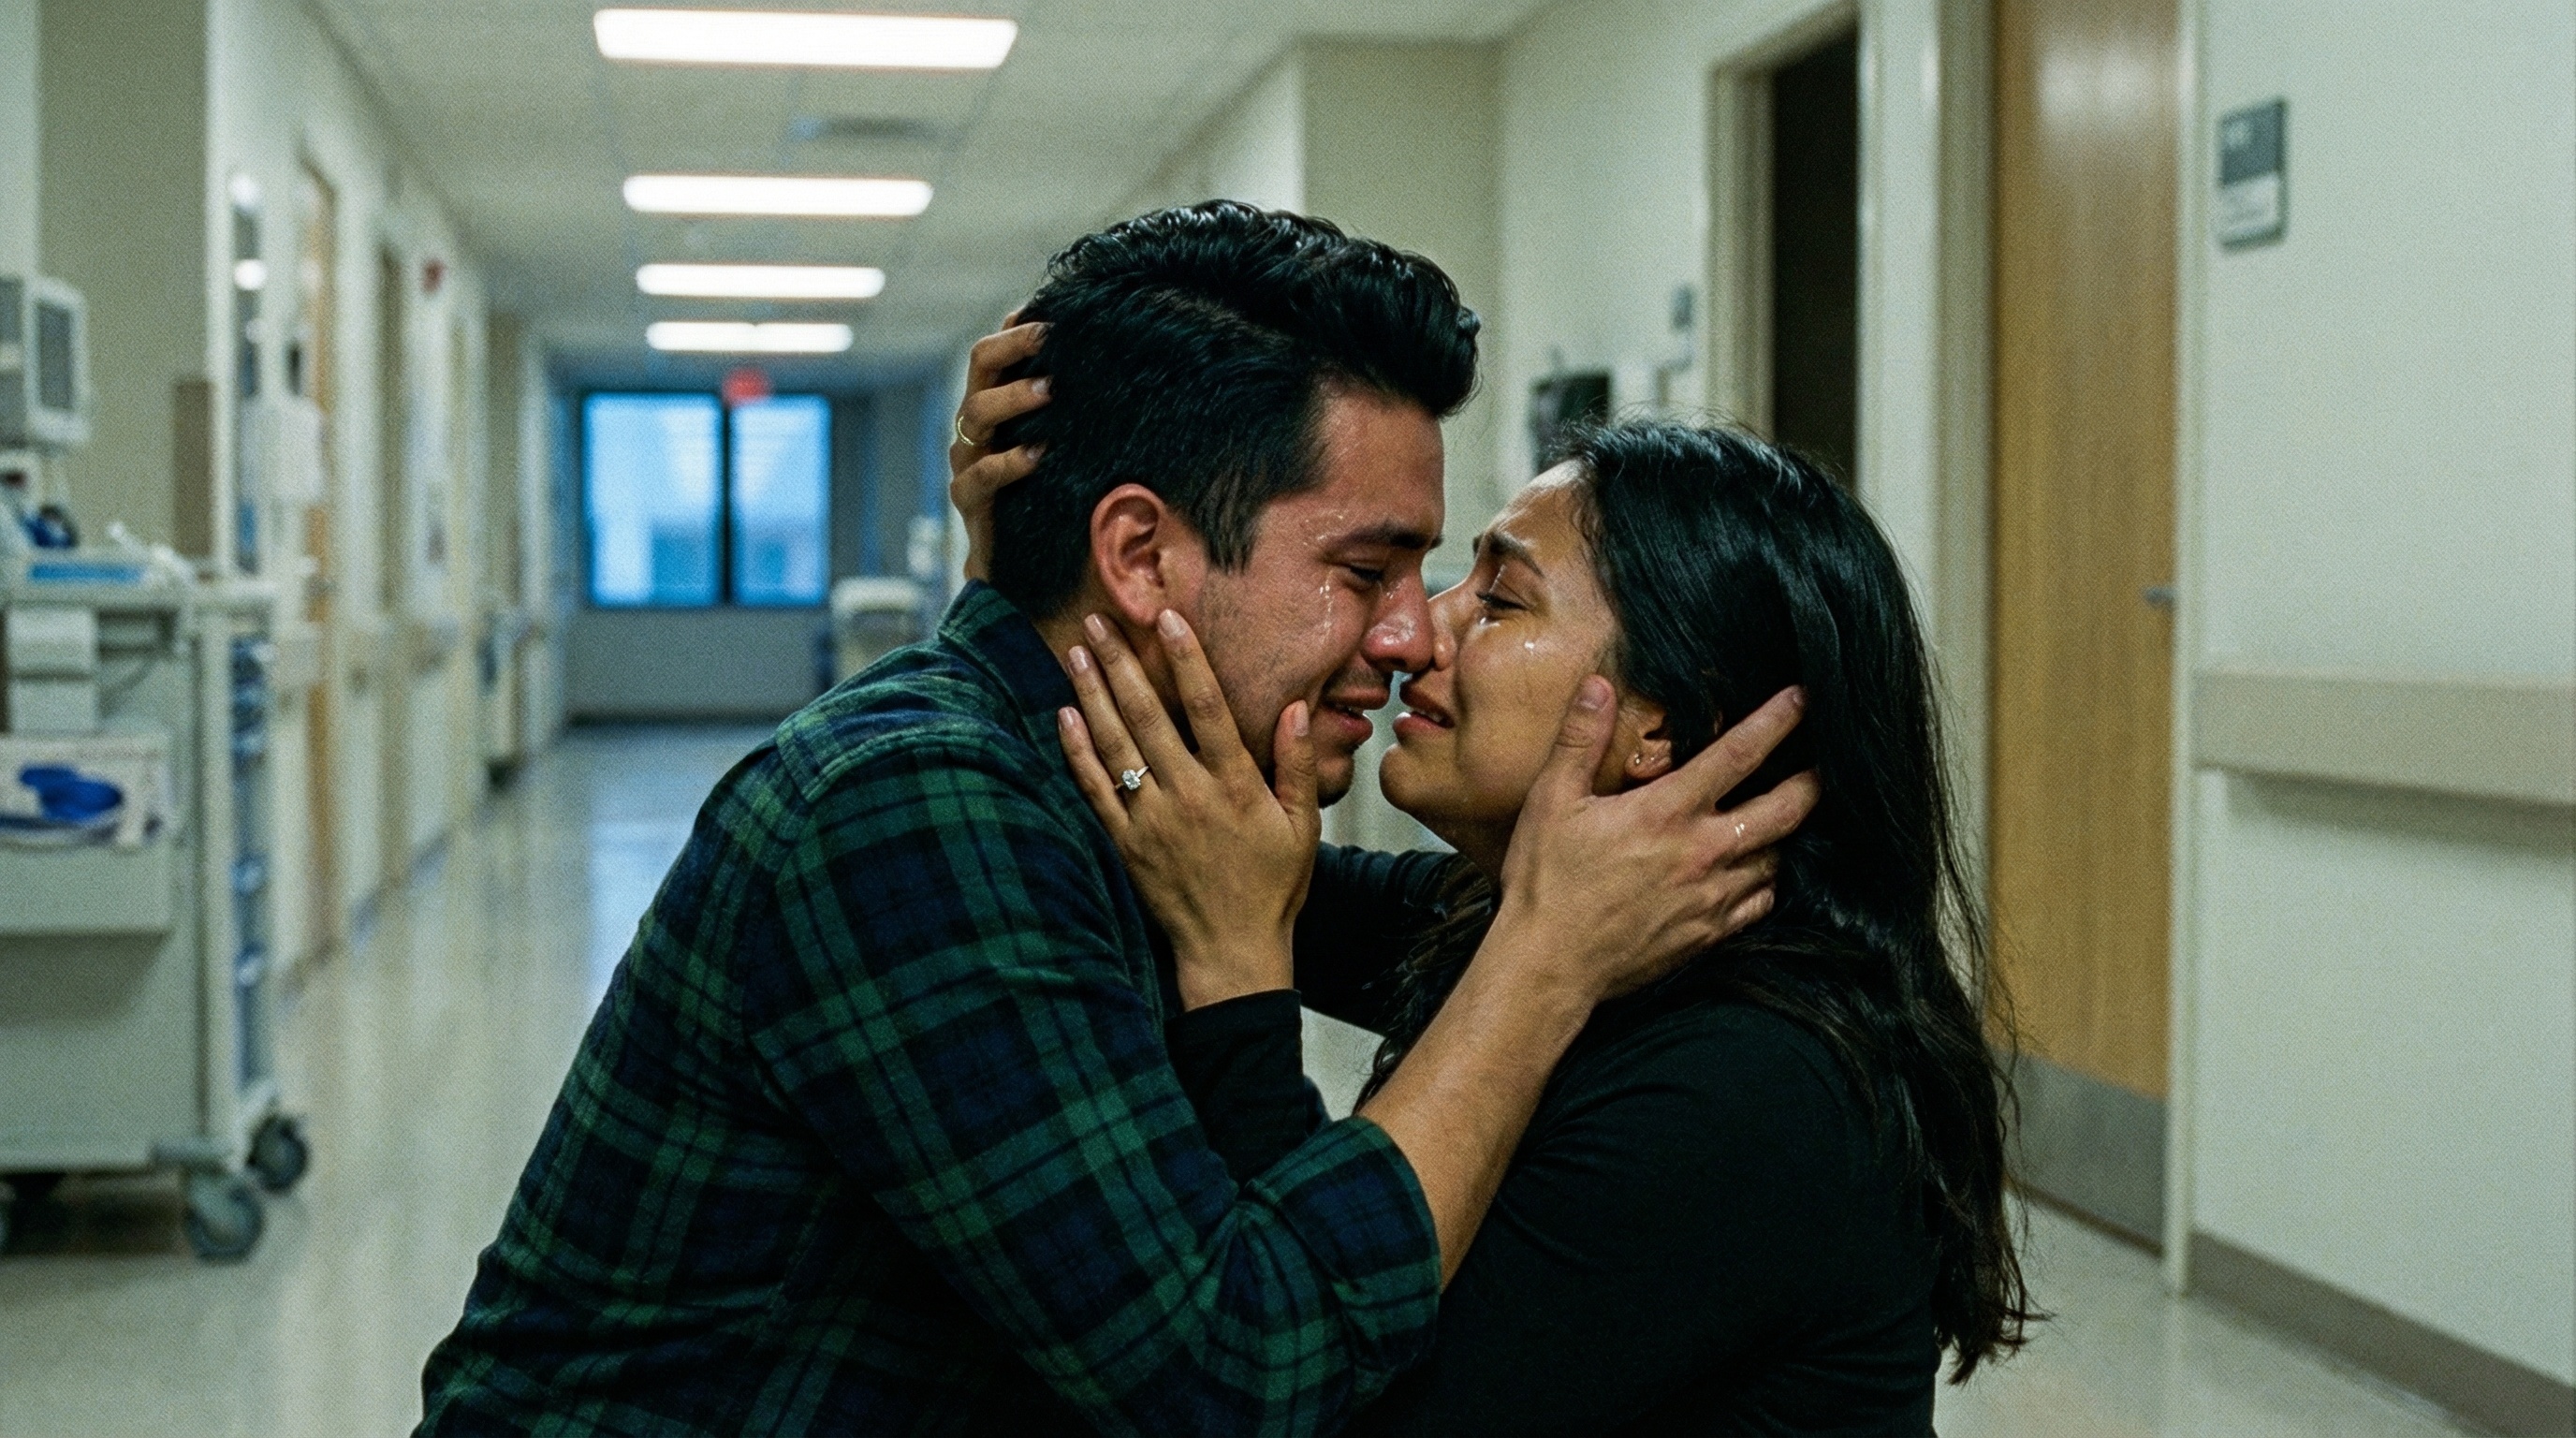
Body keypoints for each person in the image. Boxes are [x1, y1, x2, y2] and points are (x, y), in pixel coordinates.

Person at [417, 203, 1814, 1437]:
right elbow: (1242, 1379)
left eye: (1451, 582)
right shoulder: (914, 810)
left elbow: (1415, 922)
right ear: (1140, 555)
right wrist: (1547, 962)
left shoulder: (1106, 783)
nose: (1409, 638)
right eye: (1366, 569)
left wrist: (1030, 555)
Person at [968, 404, 2032, 1432]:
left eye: (1500, 601)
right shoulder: (1538, 928)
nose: (1416, 633)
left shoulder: (1749, 1084)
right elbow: (1203, 847)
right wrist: (1033, 549)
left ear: (1658, 725)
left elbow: (1307, 1398)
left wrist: (1240, 976)